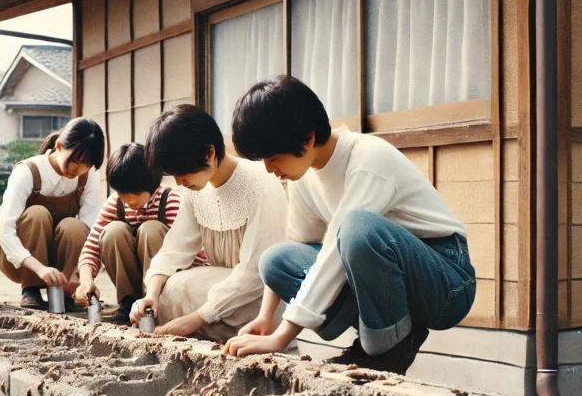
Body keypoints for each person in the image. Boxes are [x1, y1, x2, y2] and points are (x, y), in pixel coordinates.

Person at [222, 75, 475, 374]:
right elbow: (300, 247)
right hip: (390, 276)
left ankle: (389, 350)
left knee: (358, 230)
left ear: (307, 139)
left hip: (446, 281)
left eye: (273, 157)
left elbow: (333, 255)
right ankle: (378, 341)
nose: (268, 168)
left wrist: (282, 337)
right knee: (275, 261)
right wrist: (268, 318)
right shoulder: (304, 178)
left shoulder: (368, 158)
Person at [129, 104, 288, 342]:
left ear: (209, 154)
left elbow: (256, 272)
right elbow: (174, 249)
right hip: (222, 289)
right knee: (169, 287)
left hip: (261, 299)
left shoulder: (259, 182)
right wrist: (150, 294)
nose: (179, 182)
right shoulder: (195, 189)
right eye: (173, 175)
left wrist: (195, 318)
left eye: (182, 172)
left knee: (180, 292)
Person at [74, 143, 208, 324]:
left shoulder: (171, 200)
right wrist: (86, 282)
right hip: (134, 281)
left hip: (165, 285)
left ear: (151, 183)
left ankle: (155, 301)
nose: (129, 200)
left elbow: (193, 254)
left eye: (135, 193)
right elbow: (91, 248)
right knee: (112, 231)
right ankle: (128, 302)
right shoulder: (115, 203)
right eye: (122, 193)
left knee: (151, 229)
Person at [0, 118, 105, 311]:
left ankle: (64, 291)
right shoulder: (27, 171)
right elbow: (5, 231)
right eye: (75, 161)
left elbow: (91, 229)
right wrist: (39, 269)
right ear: (59, 146)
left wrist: (81, 277)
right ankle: (31, 291)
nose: (79, 170)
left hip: (58, 263)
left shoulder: (88, 175)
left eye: (87, 165)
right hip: (15, 258)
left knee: (75, 226)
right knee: (37, 214)